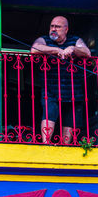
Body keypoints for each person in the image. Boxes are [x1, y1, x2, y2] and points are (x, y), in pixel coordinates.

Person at [31, 16, 91, 144]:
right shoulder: (45, 39)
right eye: (52, 26)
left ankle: (65, 146)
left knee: (70, 117)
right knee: (49, 113)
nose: (53, 29)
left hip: (73, 88)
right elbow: (35, 48)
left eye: (57, 27)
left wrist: (73, 49)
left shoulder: (75, 40)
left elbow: (87, 52)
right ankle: (46, 144)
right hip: (50, 86)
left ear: (66, 29)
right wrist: (57, 50)